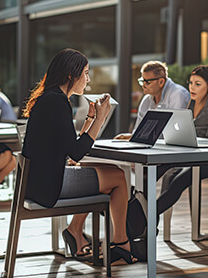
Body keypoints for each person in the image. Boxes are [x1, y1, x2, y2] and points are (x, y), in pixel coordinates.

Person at [22, 48, 136, 263]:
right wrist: (101, 119)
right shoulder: (58, 102)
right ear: (70, 75)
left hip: (38, 181)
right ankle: (121, 243)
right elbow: (76, 152)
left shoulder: (50, 98)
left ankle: (77, 230)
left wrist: (91, 119)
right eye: (85, 73)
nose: (88, 79)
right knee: (119, 177)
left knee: (111, 172)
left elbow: (72, 150)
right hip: (49, 187)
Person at [156, 65, 208, 216]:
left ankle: (144, 217)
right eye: (190, 83)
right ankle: (143, 212)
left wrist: (190, 136)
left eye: (198, 84)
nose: (192, 87)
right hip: (193, 156)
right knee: (157, 171)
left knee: (179, 181)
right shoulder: (190, 103)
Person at [116, 60, 189, 139]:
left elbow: (176, 133)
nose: (143, 86)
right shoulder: (146, 100)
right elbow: (139, 131)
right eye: (142, 81)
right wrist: (128, 137)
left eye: (147, 82)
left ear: (161, 82)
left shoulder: (178, 95)